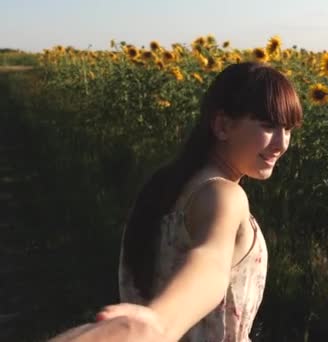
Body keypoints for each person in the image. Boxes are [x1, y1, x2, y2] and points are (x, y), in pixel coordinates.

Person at [50, 61, 303, 341]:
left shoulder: (163, 186)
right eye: (268, 126)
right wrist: (156, 324)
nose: (281, 143)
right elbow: (210, 262)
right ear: (222, 126)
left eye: (288, 129)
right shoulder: (224, 195)